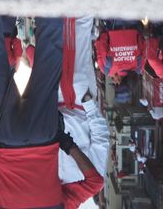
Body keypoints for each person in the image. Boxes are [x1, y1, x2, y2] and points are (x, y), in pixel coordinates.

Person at [0, 16, 104, 207]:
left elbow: (95, 183)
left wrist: (67, 144)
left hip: (44, 135)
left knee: (50, 49)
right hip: (5, 136)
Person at [58, 17, 110, 204]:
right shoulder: (89, 180)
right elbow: (100, 140)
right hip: (79, 102)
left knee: (53, 43)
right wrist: (88, 104)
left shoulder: (48, 187)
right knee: (78, 42)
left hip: (53, 103)